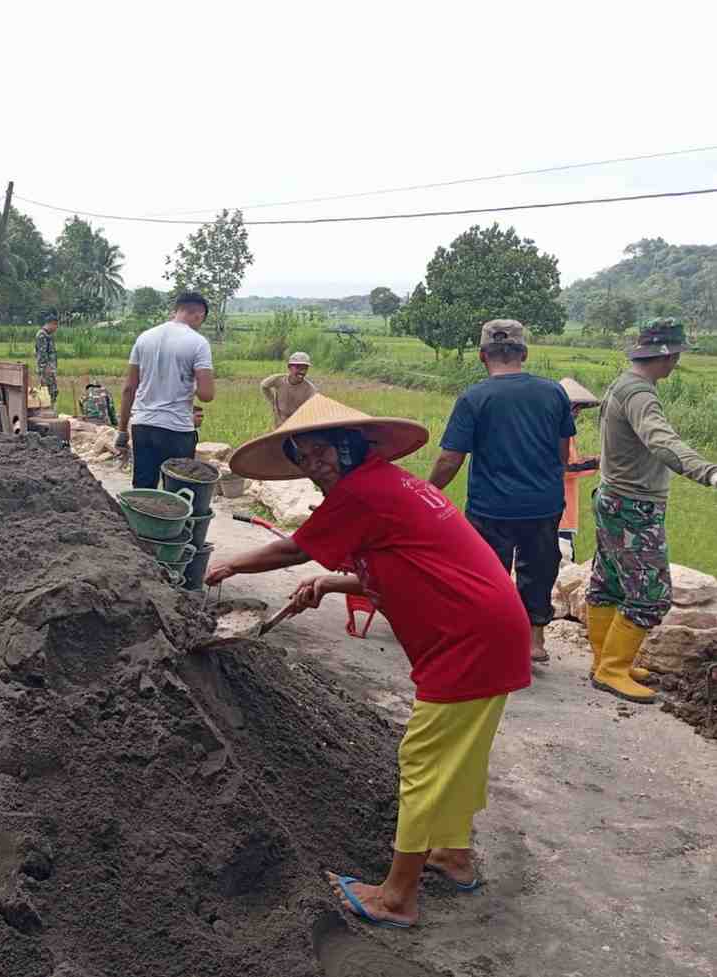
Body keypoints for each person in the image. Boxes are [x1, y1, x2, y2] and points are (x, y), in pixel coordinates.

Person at [206, 393, 530, 929]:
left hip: (468, 638)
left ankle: (397, 897)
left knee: (423, 758)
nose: (315, 464)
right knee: (460, 755)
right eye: (303, 456)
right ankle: (453, 855)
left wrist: (227, 565)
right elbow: (407, 562)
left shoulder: (361, 492)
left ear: (353, 447)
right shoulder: (389, 483)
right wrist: (333, 582)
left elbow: (293, 549)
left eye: (325, 450)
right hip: (491, 627)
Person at [429, 320, 575, 664]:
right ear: (523, 353)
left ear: (482, 356)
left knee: (485, 572)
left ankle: (489, 638)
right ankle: (534, 641)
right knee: (539, 568)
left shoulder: (474, 397)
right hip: (543, 503)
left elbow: (451, 459)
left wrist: (426, 490)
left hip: (490, 506)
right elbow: (563, 452)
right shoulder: (554, 392)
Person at [586, 319, 717, 704]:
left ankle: (605, 661)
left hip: (612, 497)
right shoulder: (641, 394)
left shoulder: (622, 384)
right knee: (650, 594)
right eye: (676, 356)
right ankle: (611, 670)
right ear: (668, 356)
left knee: (608, 583)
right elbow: (661, 439)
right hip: (633, 506)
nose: (676, 363)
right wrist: (708, 472)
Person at [115, 291, 215, 488]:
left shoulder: (144, 338)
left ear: (176, 310)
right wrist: (189, 383)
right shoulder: (198, 343)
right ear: (199, 315)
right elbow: (206, 395)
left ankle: (141, 520)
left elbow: (129, 389)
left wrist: (122, 431)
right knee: (178, 494)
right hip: (177, 429)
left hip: (143, 426)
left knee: (143, 492)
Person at [558, 378, 601, 563]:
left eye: (578, 409)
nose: (577, 413)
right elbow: (562, 469)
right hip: (558, 514)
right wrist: (595, 463)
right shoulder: (554, 433)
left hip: (564, 512)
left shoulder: (566, 433)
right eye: (574, 408)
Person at [259, 351, 318, 426]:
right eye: (298, 368)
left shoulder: (310, 389)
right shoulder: (278, 380)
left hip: (298, 424)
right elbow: (264, 386)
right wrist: (273, 402)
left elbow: (315, 408)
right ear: (289, 367)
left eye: (305, 368)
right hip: (280, 421)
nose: (302, 371)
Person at [36, 313, 60, 407]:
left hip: (50, 369)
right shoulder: (42, 335)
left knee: (52, 392)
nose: (56, 328)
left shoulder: (48, 335)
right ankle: (47, 411)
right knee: (49, 392)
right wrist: (46, 368)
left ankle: (50, 409)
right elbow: (42, 354)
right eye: (55, 325)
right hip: (46, 370)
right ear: (51, 323)